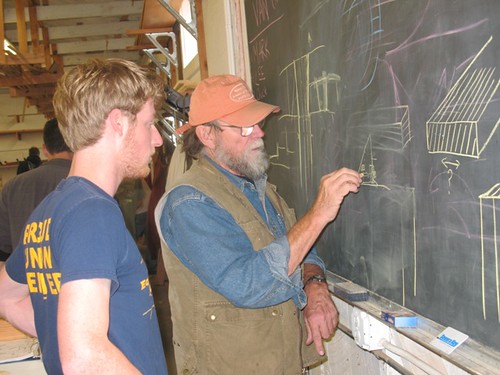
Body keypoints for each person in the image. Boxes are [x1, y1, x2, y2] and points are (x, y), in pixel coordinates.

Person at [155, 74, 362, 374]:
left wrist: (314, 285)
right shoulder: (189, 204)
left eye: (257, 123)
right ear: (207, 135)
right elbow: (248, 283)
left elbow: (303, 247)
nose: (259, 134)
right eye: (244, 127)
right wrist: (319, 213)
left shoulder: (259, 189)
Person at [0, 58, 169, 375]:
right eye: (149, 124)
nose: (157, 139)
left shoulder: (50, 211)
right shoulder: (93, 212)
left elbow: (5, 297)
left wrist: (64, 337)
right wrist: (77, 346)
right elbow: (84, 358)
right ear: (118, 123)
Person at [0, 118, 73, 263]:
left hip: (26, 279)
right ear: (76, 144)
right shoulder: (90, 182)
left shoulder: (12, 186)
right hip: (77, 278)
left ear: (45, 150)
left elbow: (3, 246)